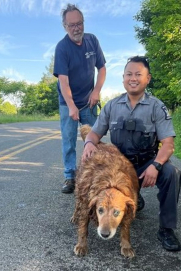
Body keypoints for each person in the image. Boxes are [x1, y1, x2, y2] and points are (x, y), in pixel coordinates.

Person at [81, 56, 181, 252]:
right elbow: (95, 133)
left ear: (148, 78)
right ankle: (133, 197)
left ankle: (167, 229)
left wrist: (156, 165)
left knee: (172, 173)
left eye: (138, 74)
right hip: (119, 166)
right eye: (129, 74)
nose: (133, 78)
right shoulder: (112, 105)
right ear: (123, 78)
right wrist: (88, 143)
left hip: (146, 164)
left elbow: (168, 144)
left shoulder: (156, 107)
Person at [53, 3, 106, 194]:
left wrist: (96, 91)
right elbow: (63, 81)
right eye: (72, 25)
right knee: (68, 140)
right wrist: (71, 106)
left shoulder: (92, 41)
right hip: (68, 102)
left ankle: (96, 174)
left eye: (79, 23)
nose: (77, 28)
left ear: (83, 22)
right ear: (65, 26)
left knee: (93, 138)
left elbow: (102, 68)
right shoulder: (62, 48)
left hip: (89, 101)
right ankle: (70, 177)